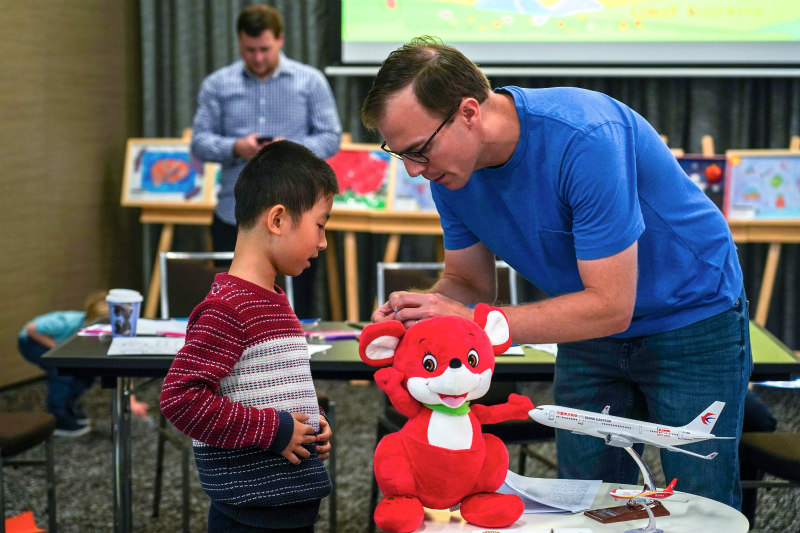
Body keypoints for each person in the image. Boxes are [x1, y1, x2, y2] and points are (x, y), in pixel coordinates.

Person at [361, 36, 752, 510]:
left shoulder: (584, 138)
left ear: (469, 113)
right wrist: (427, 319)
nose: (414, 172)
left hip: (690, 315)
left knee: (699, 504)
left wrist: (472, 321)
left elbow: (611, 305)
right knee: (587, 502)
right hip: (587, 327)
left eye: (419, 150)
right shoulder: (452, 170)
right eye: (401, 154)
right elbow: (467, 284)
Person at [160, 140, 337, 532]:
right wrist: (275, 430)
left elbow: (269, 389)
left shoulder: (273, 300)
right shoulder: (229, 308)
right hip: (251, 514)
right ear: (277, 220)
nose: (323, 242)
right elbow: (180, 399)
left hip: (287, 504)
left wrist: (313, 423)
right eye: (320, 225)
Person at [190, 4, 341, 318]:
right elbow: (200, 142)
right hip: (234, 213)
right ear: (238, 42)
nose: (258, 58)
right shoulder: (217, 85)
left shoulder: (310, 82)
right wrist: (236, 147)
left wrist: (288, 148)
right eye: (250, 50)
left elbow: (330, 137)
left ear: (281, 40)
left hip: (297, 215)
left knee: (299, 301)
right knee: (232, 305)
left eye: (265, 49)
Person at [18, 292, 150, 437]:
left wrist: (131, 400)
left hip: (60, 346)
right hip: (32, 342)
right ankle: (57, 419)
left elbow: (118, 369)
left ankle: (69, 409)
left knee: (85, 376)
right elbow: (32, 329)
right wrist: (58, 349)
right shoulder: (67, 322)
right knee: (62, 375)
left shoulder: (105, 335)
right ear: (92, 320)